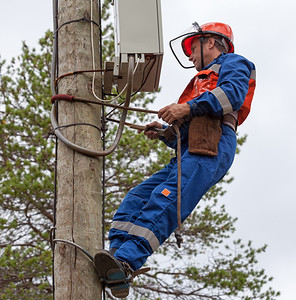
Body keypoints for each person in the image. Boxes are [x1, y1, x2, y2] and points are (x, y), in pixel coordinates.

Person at [94, 22, 256, 298]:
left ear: (211, 43)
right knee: (136, 198)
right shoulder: (198, 82)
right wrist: (164, 132)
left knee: (166, 198)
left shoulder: (234, 62)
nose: (190, 56)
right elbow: (185, 129)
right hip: (190, 148)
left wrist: (187, 107)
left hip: (213, 144)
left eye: (193, 48)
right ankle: (115, 260)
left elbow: (231, 96)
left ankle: (128, 261)